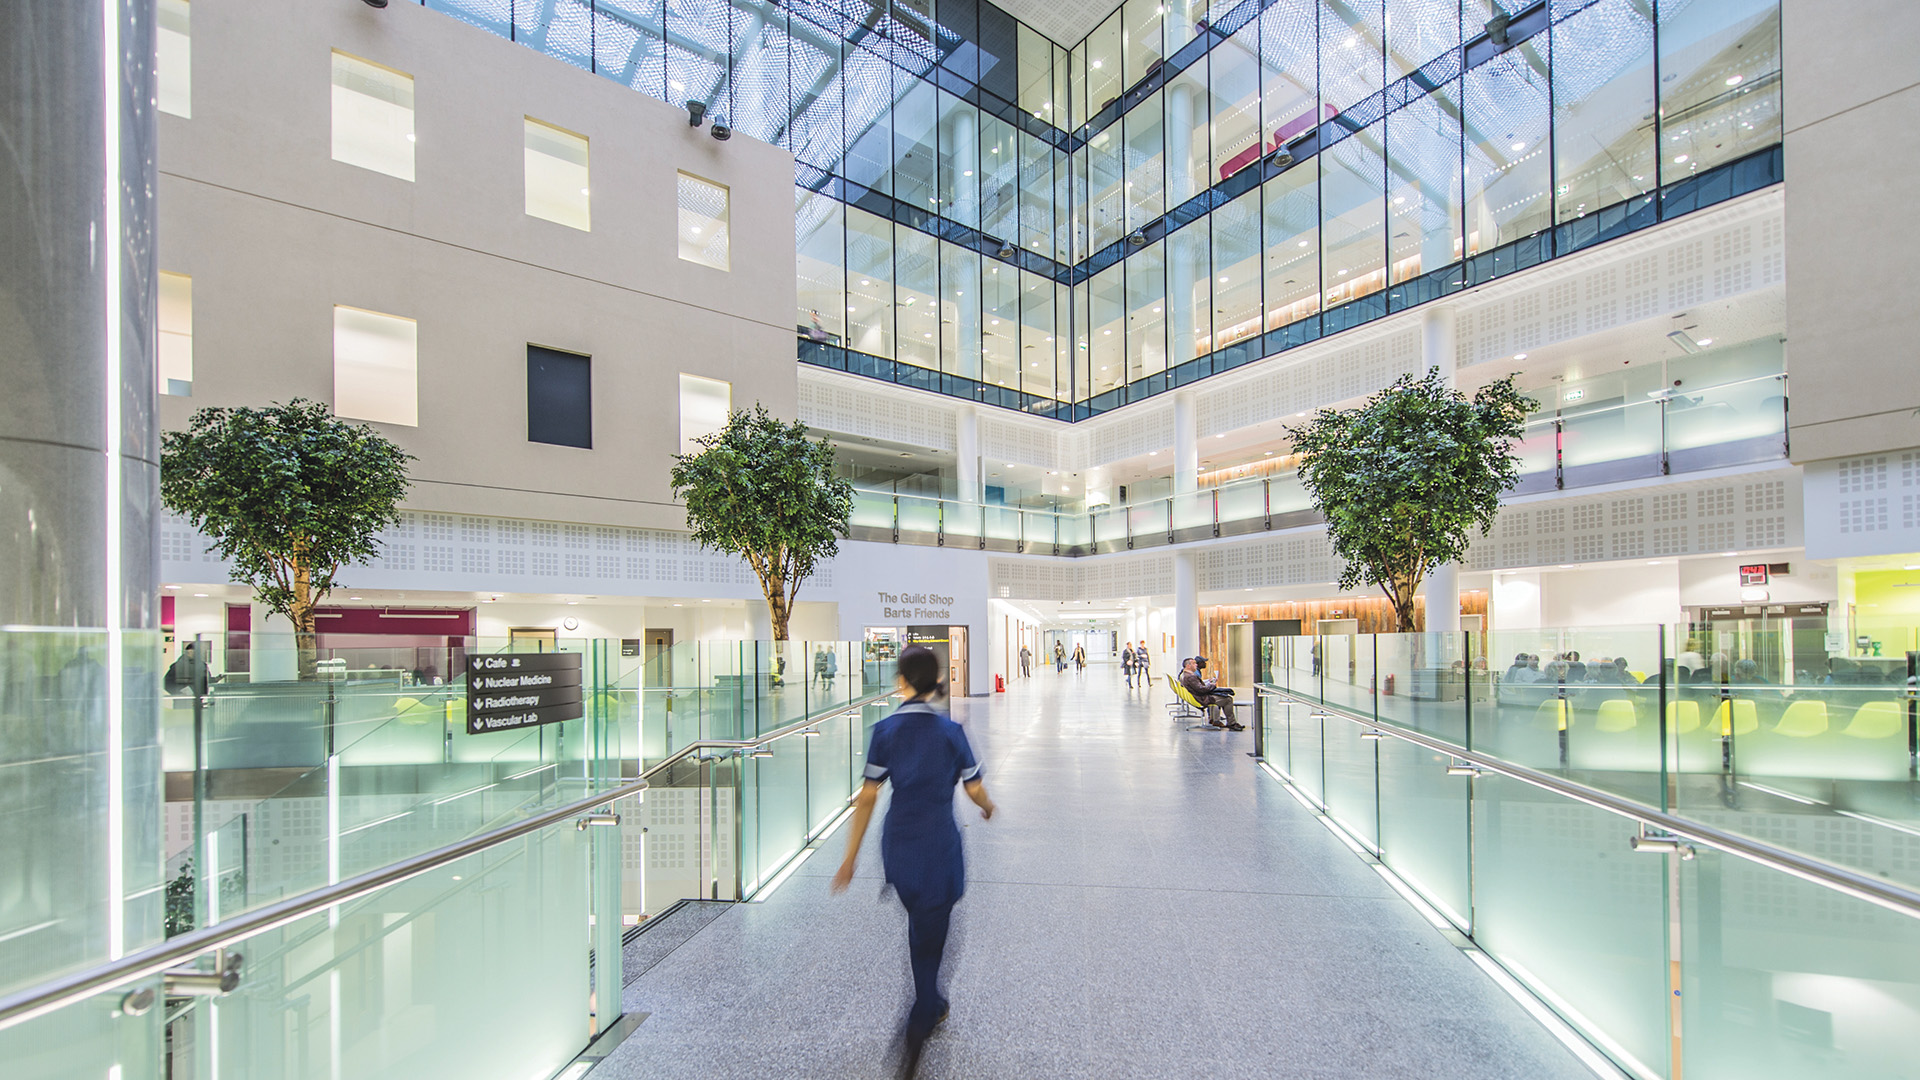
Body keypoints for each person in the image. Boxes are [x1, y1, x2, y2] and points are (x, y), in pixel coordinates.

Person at [832, 646, 996, 1050]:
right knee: (931, 927)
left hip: (900, 846)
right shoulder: (951, 732)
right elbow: (974, 789)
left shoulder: (885, 731)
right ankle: (924, 1006)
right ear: (936, 680)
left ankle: (930, 999)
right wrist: (989, 807)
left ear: (901, 681)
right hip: (939, 844)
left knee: (919, 922)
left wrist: (849, 858)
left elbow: (868, 797)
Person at [1181, 656, 1242, 730]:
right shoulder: (1190, 677)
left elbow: (1198, 687)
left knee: (1222, 696)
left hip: (1199, 697)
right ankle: (1231, 723)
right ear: (1188, 666)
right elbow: (1201, 689)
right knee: (1228, 699)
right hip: (1202, 699)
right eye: (1194, 663)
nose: (1196, 665)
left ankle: (1220, 720)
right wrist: (1212, 685)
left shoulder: (1185, 675)